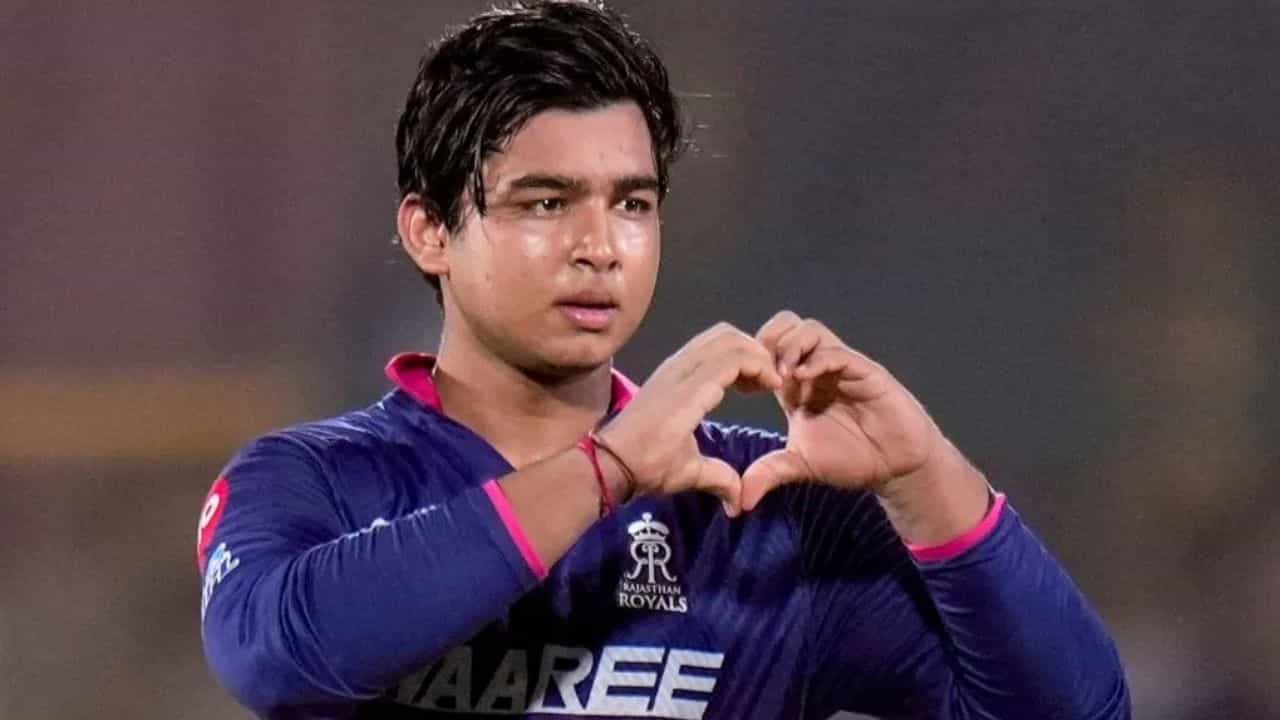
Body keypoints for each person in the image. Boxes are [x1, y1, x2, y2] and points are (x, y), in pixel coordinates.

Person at [196, 2, 1130, 718]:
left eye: (633, 204)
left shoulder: (762, 511)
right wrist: (607, 470)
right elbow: (280, 656)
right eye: (546, 203)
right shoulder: (310, 480)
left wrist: (925, 477)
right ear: (430, 231)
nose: (600, 246)